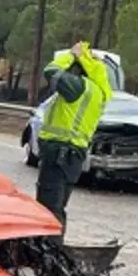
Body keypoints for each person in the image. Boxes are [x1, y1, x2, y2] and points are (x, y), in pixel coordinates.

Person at [34, 41, 112, 236]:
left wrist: (71, 54)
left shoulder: (78, 86)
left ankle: (48, 257)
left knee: (48, 209)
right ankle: (51, 252)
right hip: (74, 156)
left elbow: (51, 71)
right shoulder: (99, 92)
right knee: (58, 206)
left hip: (59, 153)